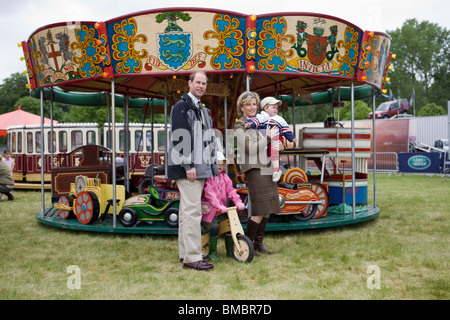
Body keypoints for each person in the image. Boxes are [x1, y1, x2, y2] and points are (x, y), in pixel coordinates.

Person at [168, 71, 218, 271]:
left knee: (187, 212)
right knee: (192, 212)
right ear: (189, 83)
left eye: (204, 83)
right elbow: (180, 137)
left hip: (199, 167)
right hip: (189, 168)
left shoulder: (200, 109)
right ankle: (192, 257)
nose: (201, 86)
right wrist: (188, 165)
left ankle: (186, 254)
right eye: (197, 82)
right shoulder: (182, 106)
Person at [234, 91, 282, 255]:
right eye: (248, 104)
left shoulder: (261, 121)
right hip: (254, 169)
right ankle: (247, 244)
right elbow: (250, 148)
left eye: (255, 104)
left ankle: (258, 243)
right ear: (242, 108)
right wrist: (268, 137)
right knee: (261, 207)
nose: (253, 107)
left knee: (267, 207)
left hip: (266, 166)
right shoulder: (240, 126)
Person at [201, 151, 245, 260]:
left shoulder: (225, 178)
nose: (220, 165)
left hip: (222, 211)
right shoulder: (208, 179)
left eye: (222, 163)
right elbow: (209, 194)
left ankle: (230, 252)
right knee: (215, 228)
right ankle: (212, 254)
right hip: (209, 212)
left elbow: (231, 192)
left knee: (230, 226)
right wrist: (218, 206)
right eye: (217, 163)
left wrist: (238, 202)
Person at [245, 97, 298, 182]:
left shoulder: (279, 119)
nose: (276, 110)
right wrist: (250, 124)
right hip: (265, 138)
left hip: (276, 137)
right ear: (266, 108)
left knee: (273, 152)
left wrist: (291, 138)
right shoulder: (262, 116)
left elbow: (285, 129)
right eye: (273, 107)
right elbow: (255, 121)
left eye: (276, 108)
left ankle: (276, 170)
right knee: (268, 152)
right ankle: (272, 168)